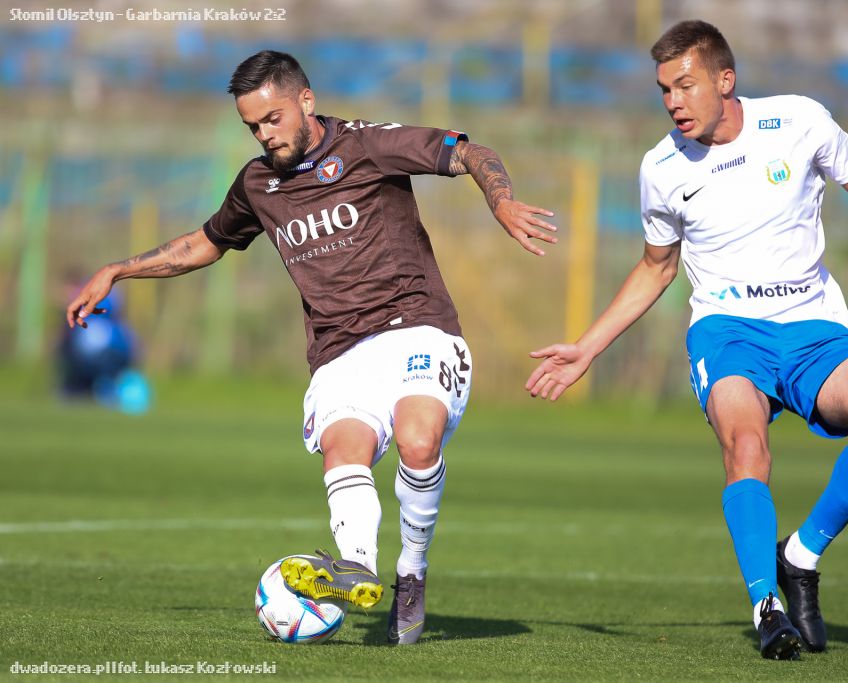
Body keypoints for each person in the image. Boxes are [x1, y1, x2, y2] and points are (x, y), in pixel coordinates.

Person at [67, 50, 557, 645]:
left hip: (416, 326)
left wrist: (500, 200)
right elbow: (206, 242)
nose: (264, 135)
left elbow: (469, 152)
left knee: (417, 439)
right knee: (343, 449)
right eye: (252, 126)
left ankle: (411, 572)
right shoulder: (257, 184)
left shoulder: (369, 145)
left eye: (272, 119)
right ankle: (356, 569)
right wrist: (117, 270)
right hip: (339, 350)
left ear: (305, 100)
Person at [526, 20, 848, 660]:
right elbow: (655, 267)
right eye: (664, 90)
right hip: (727, 332)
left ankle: (800, 555)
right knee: (746, 445)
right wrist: (587, 348)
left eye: (685, 85)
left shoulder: (799, 121)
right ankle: (767, 606)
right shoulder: (660, 167)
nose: (673, 102)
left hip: (813, 327)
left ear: (725, 80)